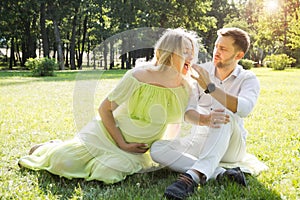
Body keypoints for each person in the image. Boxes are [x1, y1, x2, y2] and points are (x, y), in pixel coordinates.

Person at [18, 28, 199, 184]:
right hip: (107, 136)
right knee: (61, 163)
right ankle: (49, 148)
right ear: (168, 52)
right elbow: (105, 109)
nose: (190, 57)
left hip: (134, 152)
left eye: (192, 52)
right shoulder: (138, 75)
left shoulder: (186, 87)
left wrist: (164, 153)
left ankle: (96, 161)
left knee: (107, 175)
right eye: (185, 52)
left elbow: (175, 123)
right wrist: (122, 143)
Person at [150, 27, 266, 199]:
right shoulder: (200, 72)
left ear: (239, 56)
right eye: (216, 46)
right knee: (157, 149)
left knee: (224, 110)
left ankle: (191, 178)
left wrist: (210, 87)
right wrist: (204, 119)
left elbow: (244, 108)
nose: (216, 52)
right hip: (200, 140)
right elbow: (188, 113)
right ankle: (219, 173)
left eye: (223, 49)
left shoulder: (247, 78)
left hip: (232, 147)